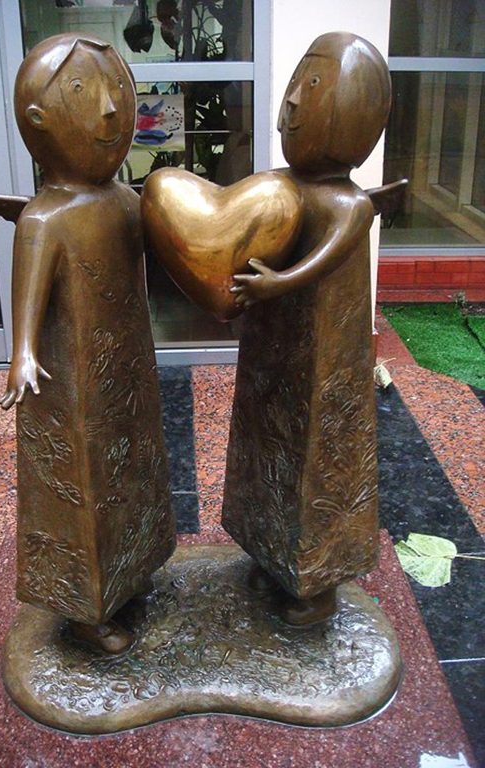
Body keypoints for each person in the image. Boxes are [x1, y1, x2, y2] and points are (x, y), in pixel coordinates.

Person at [0, 33, 175, 653]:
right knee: (81, 482)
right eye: (82, 91)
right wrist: (23, 353)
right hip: (68, 380)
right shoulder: (45, 219)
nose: (109, 108)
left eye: (117, 89)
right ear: (39, 120)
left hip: (125, 368)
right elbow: (28, 301)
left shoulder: (126, 200)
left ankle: (135, 565)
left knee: (131, 464)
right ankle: (86, 610)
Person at [224, 32, 392, 626]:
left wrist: (277, 284)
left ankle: (316, 583)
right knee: (268, 440)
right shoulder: (282, 184)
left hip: (325, 353)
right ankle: (268, 548)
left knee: (321, 455)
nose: (292, 99)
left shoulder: (349, 204)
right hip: (276, 349)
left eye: (314, 85)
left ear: (354, 112)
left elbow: (321, 262)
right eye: (297, 80)